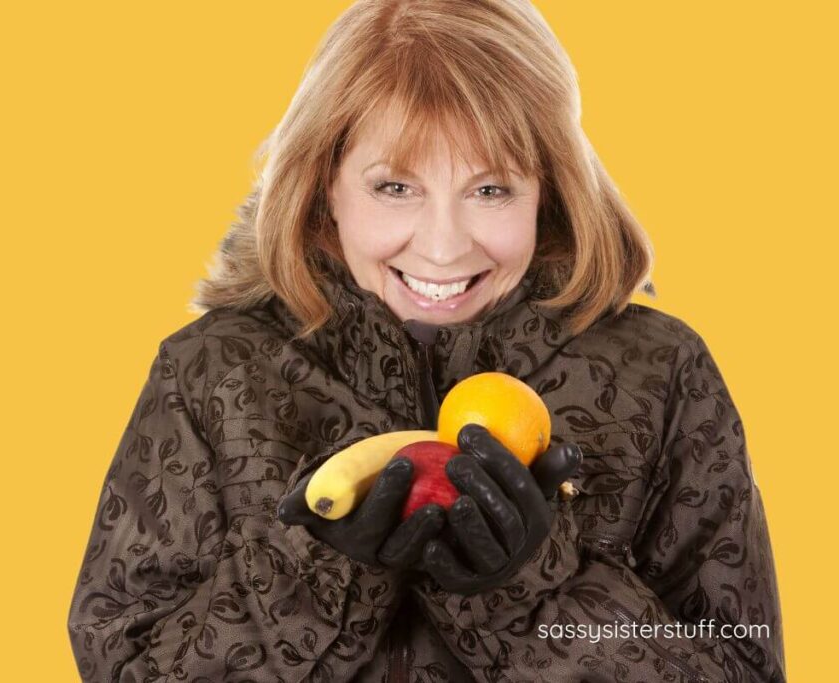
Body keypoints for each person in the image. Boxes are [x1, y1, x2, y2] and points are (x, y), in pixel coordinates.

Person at [66, 1, 786, 680]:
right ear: (325, 186)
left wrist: (533, 592)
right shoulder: (208, 371)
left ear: (551, 192)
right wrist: (312, 578)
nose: (442, 248)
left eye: (491, 190)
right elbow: (123, 659)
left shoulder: (660, 373)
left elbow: (741, 664)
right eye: (395, 188)